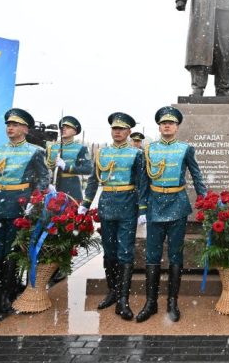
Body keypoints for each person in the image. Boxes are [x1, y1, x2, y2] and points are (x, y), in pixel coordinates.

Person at [0, 108, 50, 314]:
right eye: (8, 124)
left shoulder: (35, 151)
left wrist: (34, 200)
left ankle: (7, 293)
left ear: (25, 129)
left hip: (18, 206)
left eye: (15, 125)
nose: (10, 128)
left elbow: (44, 178)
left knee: (12, 251)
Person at [136, 107, 206, 323]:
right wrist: (142, 208)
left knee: (176, 255)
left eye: (171, 123)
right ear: (159, 126)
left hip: (177, 205)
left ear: (177, 127)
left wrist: (205, 200)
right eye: (164, 123)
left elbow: (196, 175)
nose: (167, 126)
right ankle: (151, 302)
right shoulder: (148, 150)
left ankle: (172, 302)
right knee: (152, 256)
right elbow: (143, 181)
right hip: (155, 205)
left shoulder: (186, 149)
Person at [80, 112, 146, 320]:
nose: (117, 132)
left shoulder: (136, 154)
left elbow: (142, 183)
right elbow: (93, 180)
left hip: (127, 205)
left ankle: (123, 300)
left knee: (125, 251)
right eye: (114, 129)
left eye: (121, 129)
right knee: (109, 251)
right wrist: (85, 203)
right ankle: (112, 291)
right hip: (107, 204)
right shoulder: (102, 153)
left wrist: (142, 209)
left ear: (128, 132)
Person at [45, 116, 93, 202]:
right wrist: (47, 183)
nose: (64, 129)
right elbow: (45, 168)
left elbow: (88, 169)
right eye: (62, 127)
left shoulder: (81, 148)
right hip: (53, 186)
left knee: (71, 213)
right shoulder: (51, 147)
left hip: (72, 186)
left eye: (68, 127)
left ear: (74, 131)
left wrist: (66, 167)